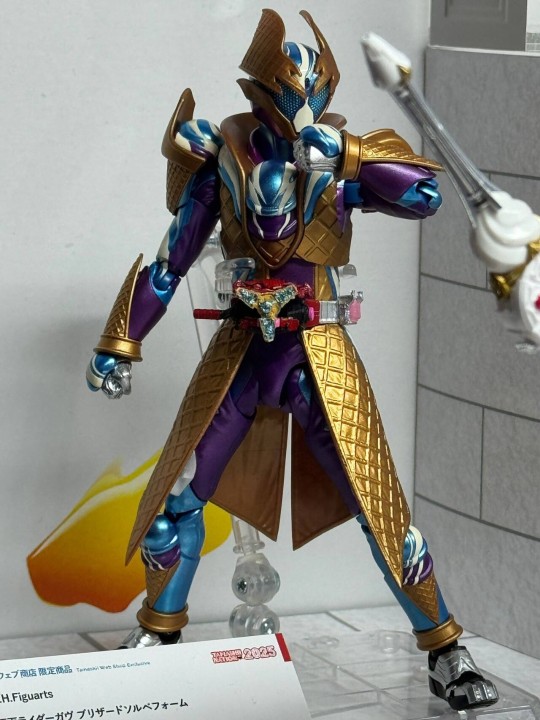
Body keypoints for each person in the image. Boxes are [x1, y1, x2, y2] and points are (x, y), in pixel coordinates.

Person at [87, 9, 497, 710]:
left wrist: (351, 157)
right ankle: (158, 632)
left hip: (319, 357)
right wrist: (119, 341)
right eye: (288, 96)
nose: (300, 110)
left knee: (381, 508)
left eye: (311, 96)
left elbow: (425, 196)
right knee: (173, 503)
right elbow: (169, 263)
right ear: (260, 93)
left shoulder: (339, 158)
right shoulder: (226, 157)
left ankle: (444, 648)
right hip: (244, 353)